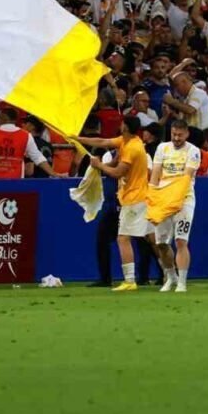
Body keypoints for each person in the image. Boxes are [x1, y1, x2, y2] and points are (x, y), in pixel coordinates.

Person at [73, 116, 151, 292]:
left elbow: (117, 173)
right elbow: (102, 141)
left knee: (123, 238)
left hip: (134, 198)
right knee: (150, 239)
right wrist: (78, 139)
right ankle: (170, 275)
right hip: (136, 197)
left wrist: (99, 165)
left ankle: (130, 280)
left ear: (125, 127)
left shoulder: (132, 148)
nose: (120, 125)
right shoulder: (128, 141)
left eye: (122, 123)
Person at [148, 119, 202, 293]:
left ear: (187, 134)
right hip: (162, 199)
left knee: (180, 240)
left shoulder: (193, 151)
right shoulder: (162, 148)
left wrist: (175, 199)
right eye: (174, 134)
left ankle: (182, 282)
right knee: (161, 244)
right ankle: (171, 277)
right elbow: (155, 173)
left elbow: (186, 177)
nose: (176, 138)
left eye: (180, 135)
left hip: (183, 199)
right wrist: (152, 195)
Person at [0, 106, 50, 178]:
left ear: (3, 118)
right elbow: (38, 157)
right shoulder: (26, 136)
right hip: (15, 181)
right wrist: (53, 173)